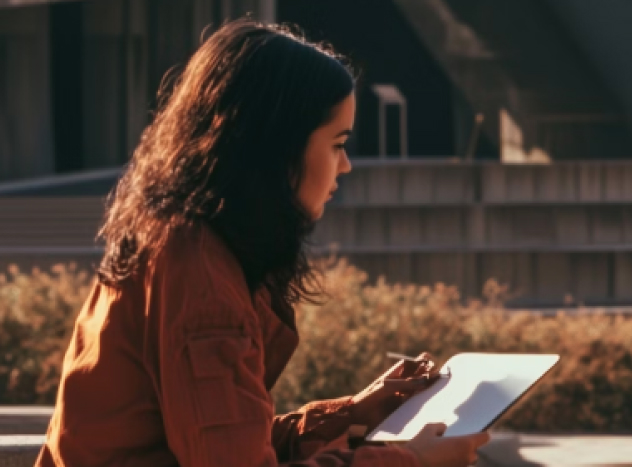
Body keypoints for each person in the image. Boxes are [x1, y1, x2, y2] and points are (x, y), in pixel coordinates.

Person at [36, 20, 489, 466]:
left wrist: (356, 414)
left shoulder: (188, 243)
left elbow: (225, 437)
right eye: (337, 144)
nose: (345, 165)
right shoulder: (201, 277)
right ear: (277, 147)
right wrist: (412, 461)